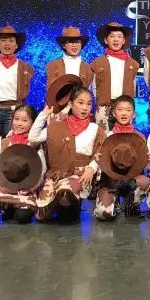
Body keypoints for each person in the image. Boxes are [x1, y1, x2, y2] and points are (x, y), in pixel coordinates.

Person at [30, 86, 106, 222]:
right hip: (57, 175)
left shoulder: (96, 129)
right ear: (71, 103)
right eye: (80, 103)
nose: (85, 108)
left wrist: (91, 168)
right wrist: (44, 115)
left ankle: (71, 205)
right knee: (40, 216)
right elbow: (33, 138)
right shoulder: (57, 126)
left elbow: (100, 153)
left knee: (65, 193)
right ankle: (59, 204)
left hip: (80, 175)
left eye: (89, 104)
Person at [0, 104, 45, 224]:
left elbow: (41, 169)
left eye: (24, 120)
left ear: (33, 123)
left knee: (22, 217)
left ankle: (18, 207)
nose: (19, 123)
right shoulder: (6, 142)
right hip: (6, 185)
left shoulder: (34, 144)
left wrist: (30, 188)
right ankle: (8, 207)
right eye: (16, 119)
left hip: (26, 187)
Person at [94, 96, 150, 220]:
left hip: (132, 179)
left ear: (134, 114)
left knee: (144, 182)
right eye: (120, 109)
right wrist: (98, 162)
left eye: (128, 110)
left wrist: (148, 161)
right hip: (111, 181)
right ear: (113, 113)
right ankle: (114, 203)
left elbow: (143, 165)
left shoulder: (140, 137)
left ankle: (133, 204)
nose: (124, 113)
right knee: (103, 214)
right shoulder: (107, 136)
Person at [91, 22, 139, 131]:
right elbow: (94, 86)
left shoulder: (132, 64)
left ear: (124, 41)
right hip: (104, 106)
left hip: (124, 106)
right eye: (112, 36)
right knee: (102, 135)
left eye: (119, 36)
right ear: (105, 40)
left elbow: (133, 85)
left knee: (123, 135)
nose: (116, 39)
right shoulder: (98, 62)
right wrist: (100, 101)